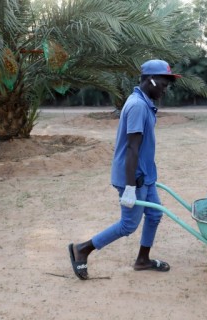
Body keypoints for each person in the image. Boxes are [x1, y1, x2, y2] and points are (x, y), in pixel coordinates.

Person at [68, 59, 181, 280]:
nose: (166, 90)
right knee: (128, 225)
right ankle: (82, 249)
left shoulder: (145, 102)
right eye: (164, 84)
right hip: (134, 178)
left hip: (145, 176)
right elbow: (132, 147)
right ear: (150, 80)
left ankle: (142, 260)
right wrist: (130, 187)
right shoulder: (138, 106)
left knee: (155, 214)